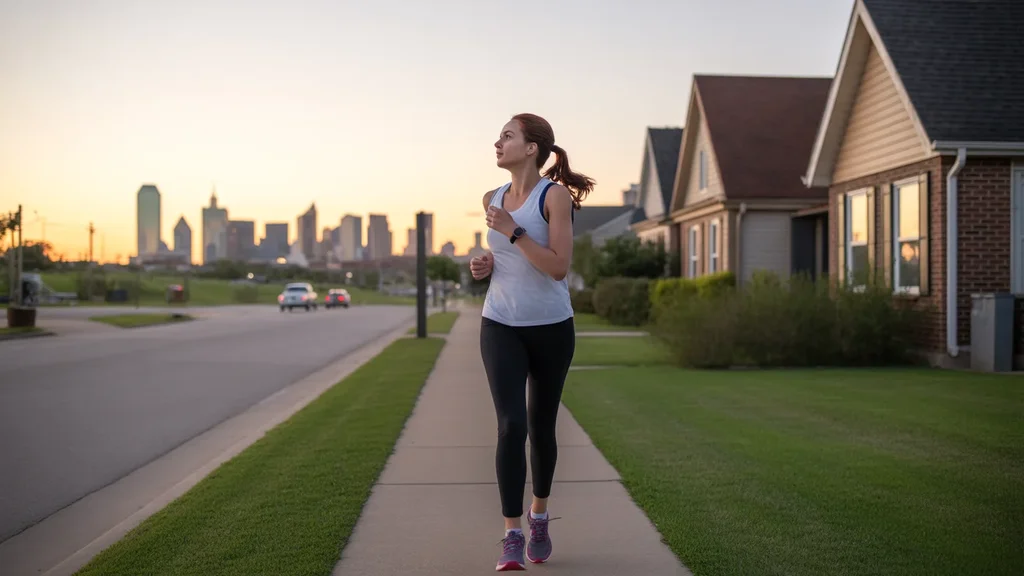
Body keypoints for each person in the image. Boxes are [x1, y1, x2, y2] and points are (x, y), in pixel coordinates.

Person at [469, 113, 595, 571]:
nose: (497, 142)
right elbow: (505, 258)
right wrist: (483, 265)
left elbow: (558, 266)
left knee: (542, 427)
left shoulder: (554, 196)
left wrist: (513, 231)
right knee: (510, 425)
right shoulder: (492, 198)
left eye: (507, 136)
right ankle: (511, 533)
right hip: (500, 322)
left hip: (551, 328)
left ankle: (538, 515)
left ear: (531, 148)